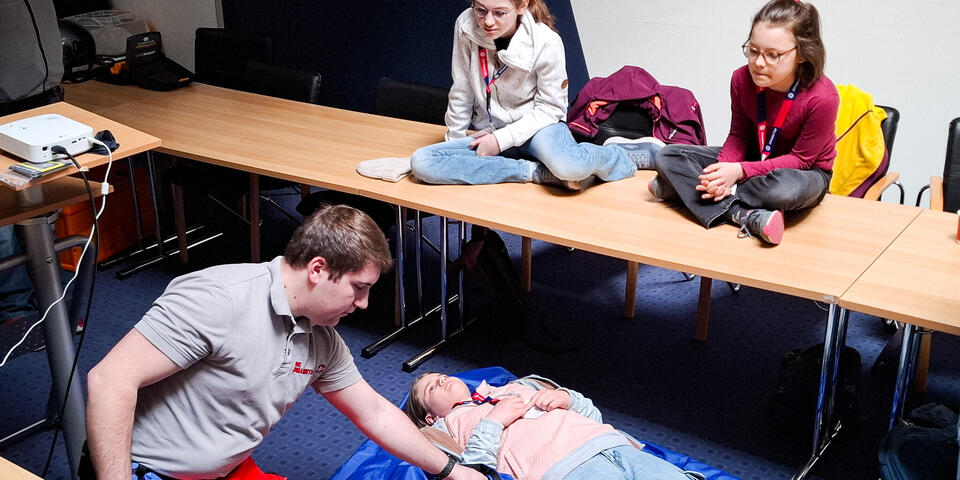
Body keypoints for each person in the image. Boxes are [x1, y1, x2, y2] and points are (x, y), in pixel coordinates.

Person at [83, 205, 483, 480]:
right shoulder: (219, 297)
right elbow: (109, 381)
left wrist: (448, 470)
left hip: (223, 470)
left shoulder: (322, 339)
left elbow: (375, 412)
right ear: (318, 269)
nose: (363, 304)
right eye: (358, 289)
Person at [409, 0, 663, 191]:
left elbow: (551, 110)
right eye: (480, 9)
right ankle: (534, 172)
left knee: (569, 167)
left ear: (522, 6)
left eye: (499, 13)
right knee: (422, 162)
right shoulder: (465, 27)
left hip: (538, 128)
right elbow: (461, 89)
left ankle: (620, 154)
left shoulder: (546, 42)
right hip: (493, 130)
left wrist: (501, 140)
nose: (487, 21)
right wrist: (454, 144)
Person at [650, 0, 838, 245]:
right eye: (753, 50)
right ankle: (743, 214)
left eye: (773, 55)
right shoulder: (741, 79)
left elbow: (802, 159)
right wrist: (722, 170)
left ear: (802, 53)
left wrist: (737, 173)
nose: (759, 62)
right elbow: (739, 135)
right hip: (753, 157)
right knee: (668, 156)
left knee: (781, 191)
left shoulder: (823, 97)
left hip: (803, 173)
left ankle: (683, 191)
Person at [405, 372, 705, 480]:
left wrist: (565, 398)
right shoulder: (446, 428)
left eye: (440, 375)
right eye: (431, 388)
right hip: (564, 468)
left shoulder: (518, 386)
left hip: (612, 445)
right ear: (431, 416)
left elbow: (592, 415)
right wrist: (494, 422)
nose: (440, 379)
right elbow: (471, 473)